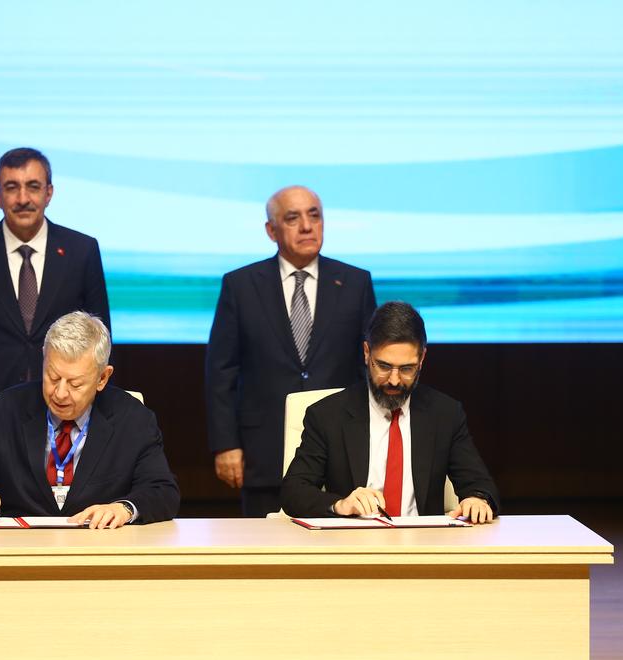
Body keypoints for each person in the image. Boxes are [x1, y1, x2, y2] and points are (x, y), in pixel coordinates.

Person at [205, 185, 376, 516]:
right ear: (271, 231)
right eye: (293, 218)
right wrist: (226, 444)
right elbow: (221, 372)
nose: (307, 226)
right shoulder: (241, 285)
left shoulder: (355, 282)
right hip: (264, 452)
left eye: (314, 215)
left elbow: (367, 367)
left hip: (340, 450)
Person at [0, 147, 110, 464]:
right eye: (12, 187)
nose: (23, 198)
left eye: (33, 186)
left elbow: (101, 340)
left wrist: (97, 414)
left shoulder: (81, 250)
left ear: (49, 193)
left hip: (66, 412)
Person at [0, 311, 178, 529]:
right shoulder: (1, 413)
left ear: (102, 378)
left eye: (75, 384)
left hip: (99, 546)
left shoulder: (134, 419)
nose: (60, 393)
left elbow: (162, 491)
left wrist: (124, 508)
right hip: (19, 547)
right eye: (53, 377)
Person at [280, 301, 499, 522]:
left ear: (422, 359)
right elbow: (294, 491)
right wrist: (340, 505)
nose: (394, 380)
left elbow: (480, 484)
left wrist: (477, 499)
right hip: (352, 538)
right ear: (367, 353)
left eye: (406, 369)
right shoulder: (327, 415)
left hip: (425, 539)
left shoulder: (445, 414)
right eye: (384, 366)